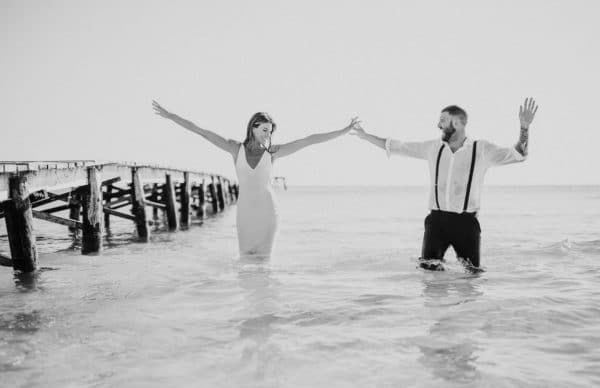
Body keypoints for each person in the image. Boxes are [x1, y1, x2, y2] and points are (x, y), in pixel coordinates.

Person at [152, 101, 359, 260]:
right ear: (253, 127)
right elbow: (201, 132)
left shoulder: (273, 153)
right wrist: (170, 116)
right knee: (245, 262)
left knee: (264, 264)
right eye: (264, 130)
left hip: (268, 212)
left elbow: (309, 140)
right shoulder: (235, 149)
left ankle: (266, 310)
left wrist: (343, 130)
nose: (267, 135)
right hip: (245, 213)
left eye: (270, 131)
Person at [352, 98, 538, 271]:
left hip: (466, 224)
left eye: (443, 120)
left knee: (471, 277)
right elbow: (396, 145)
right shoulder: (433, 148)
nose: (438, 125)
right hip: (436, 223)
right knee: (429, 276)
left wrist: (524, 128)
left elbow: (518, 155)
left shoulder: (481, 149)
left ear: (456, 123)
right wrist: (365, 136)